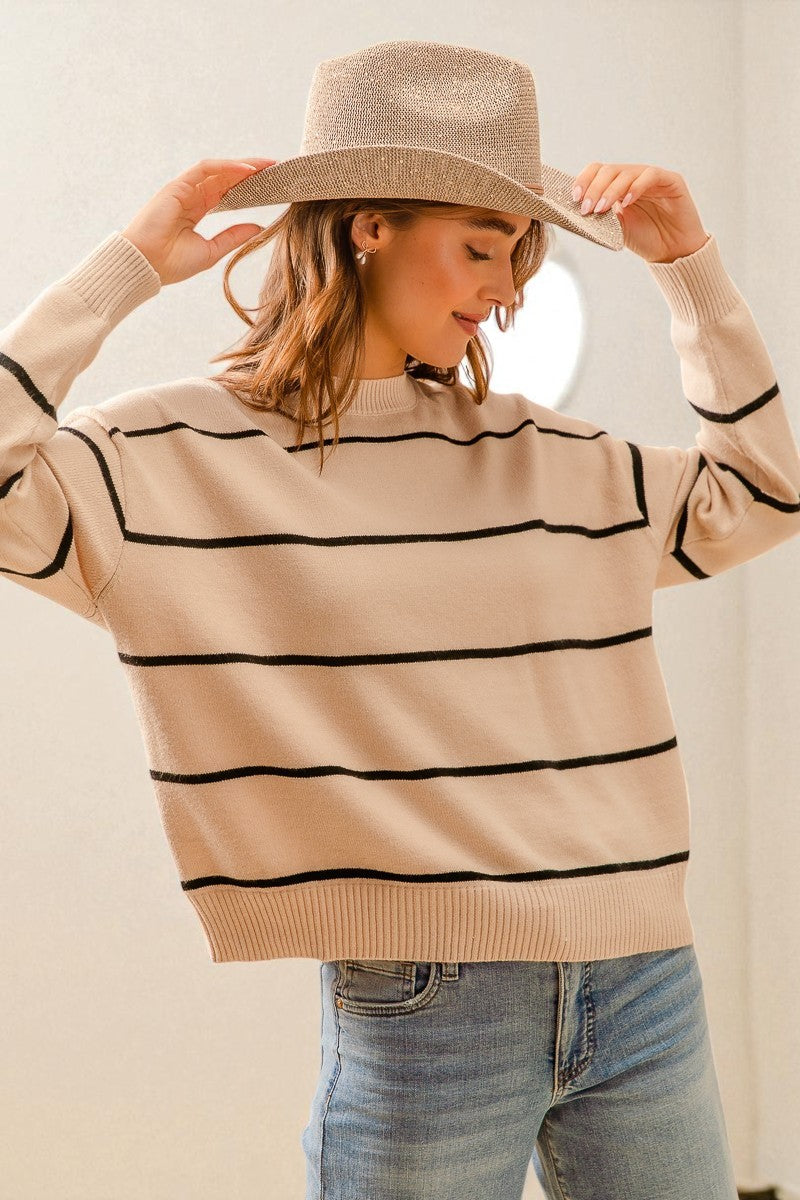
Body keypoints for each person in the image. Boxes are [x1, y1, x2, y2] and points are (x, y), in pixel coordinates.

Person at [3, 38, 799, 1200]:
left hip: (639, 977)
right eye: (481, 246)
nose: (504, 288)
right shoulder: (172, 458)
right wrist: (124, 268)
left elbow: (765, 493)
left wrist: (688, 270)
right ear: (366, 223)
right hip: (428, 996)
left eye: (519, 255)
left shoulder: (546, 457)